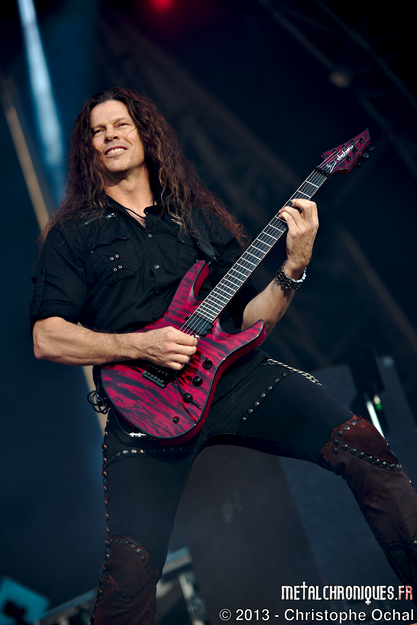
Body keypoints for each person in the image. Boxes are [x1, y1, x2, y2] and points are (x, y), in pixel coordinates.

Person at [30, 88, 417, 624]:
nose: (110, 135)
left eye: (121, 124)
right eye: (98, 131)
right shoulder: (73, 235)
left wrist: (294, 267)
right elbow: (47, 337)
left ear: (145, 134)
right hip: (143, 405)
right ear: (87, 149)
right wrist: (138, 344)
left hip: (233, 379)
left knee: (365, 448)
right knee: (129, 573)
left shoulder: (197, 219)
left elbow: (253, 321)